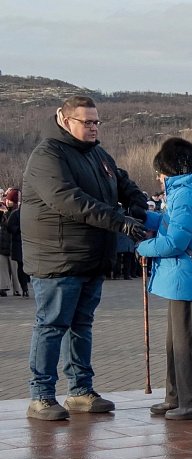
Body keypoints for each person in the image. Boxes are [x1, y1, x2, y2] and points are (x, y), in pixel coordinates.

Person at [22, 95, 148, 420]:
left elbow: (123, 182)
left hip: (92, 257)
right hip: (59, 257)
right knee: (52, 325)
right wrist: (120, 221)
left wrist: (136, 203)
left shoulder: (98, 154)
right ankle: (41, 395)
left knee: (81, 325)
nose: (93, 128)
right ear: (65, 120)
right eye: (87, 122)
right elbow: (69, 200)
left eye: (96, 122)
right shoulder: (48, 155)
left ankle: (80, 390)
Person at [136, 138, 192, 420]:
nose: (158, 178)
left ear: (171, 170)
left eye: (160, 173)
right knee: (174, 344)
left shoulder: (187, 196)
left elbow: (175, 242)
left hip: (186, 278)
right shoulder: (186, 193)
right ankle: (175, 397)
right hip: (180, 278)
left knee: (185, 344)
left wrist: (142, 247)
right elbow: (169, 224)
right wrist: (144, 217)